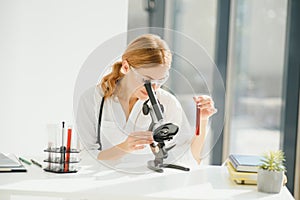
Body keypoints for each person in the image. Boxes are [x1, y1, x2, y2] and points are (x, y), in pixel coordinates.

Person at [76, 34, 217, 169]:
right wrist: (124, 147)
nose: (154, 87)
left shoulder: (167, 102)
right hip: (100, 190)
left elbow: (189, 159)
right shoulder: (92, 99)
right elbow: (85, 158)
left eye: (160, 80)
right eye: (146, 80)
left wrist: (202, 120)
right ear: (126, 67)